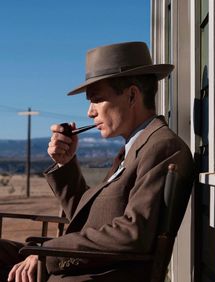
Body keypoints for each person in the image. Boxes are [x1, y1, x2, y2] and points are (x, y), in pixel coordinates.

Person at [0, 41, 194, 282]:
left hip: (99, 274)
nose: (90, 112)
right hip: (88, 262)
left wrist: (47, 255)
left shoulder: (162, 147)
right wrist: (65, 163)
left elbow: (133, 233)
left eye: (97, 99)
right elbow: (90, 218)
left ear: (132, 95)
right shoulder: (133, 148)